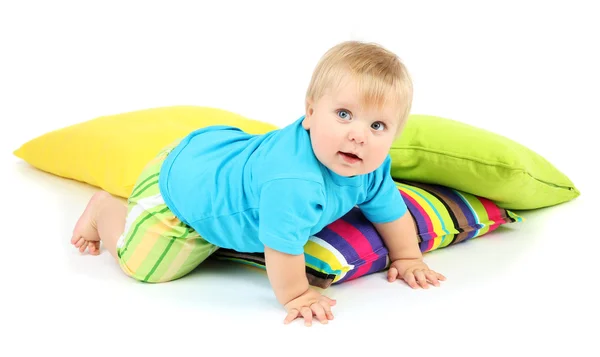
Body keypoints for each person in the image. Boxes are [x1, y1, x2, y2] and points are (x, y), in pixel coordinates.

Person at [70, 40, 446, 326]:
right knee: (147, 269)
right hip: (184, 193)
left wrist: (408, 256)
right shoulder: (294, 183)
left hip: (221, 155)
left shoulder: (371, 166)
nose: (359, 135)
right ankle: (105, 210)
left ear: (393, 134)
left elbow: (391, 212)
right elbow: (281, 249)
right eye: (344, 114)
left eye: (377, 125)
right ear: (310, 112)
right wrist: (298, 294)